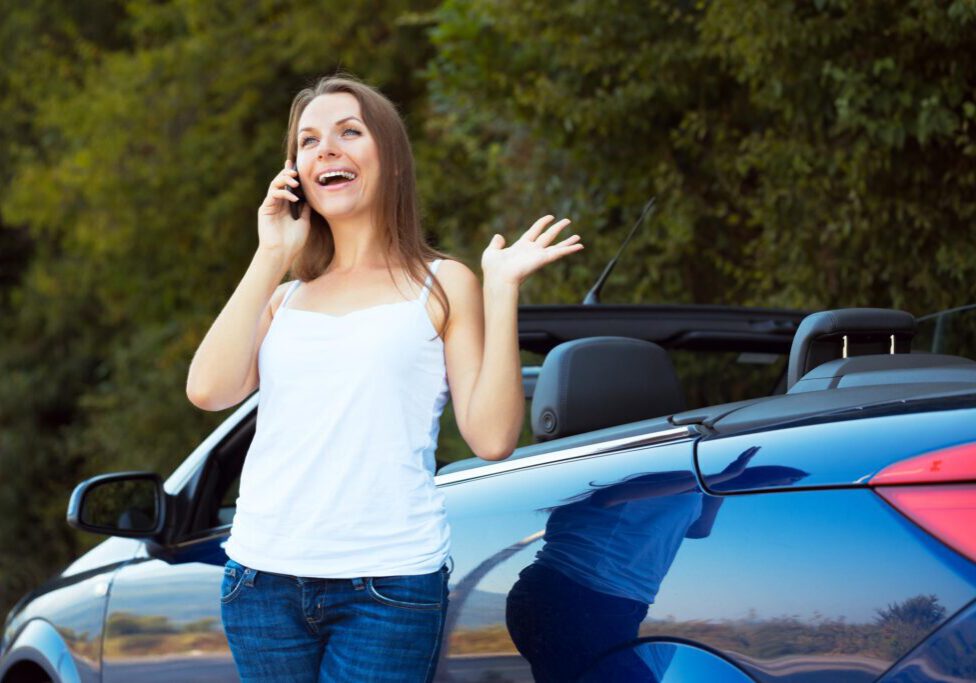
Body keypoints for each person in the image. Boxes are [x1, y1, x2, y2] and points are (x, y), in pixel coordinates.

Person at [185, 73, 584, 683]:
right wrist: (271, 253)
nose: (327, 149)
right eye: (309, 141)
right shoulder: (283, 297)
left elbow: (492, 437)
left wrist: (502, 289)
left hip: (387, 584)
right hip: (259, 580)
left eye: (350, 132)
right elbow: (207, 390)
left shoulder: (443, 282)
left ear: (392, 162)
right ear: (296, 174)